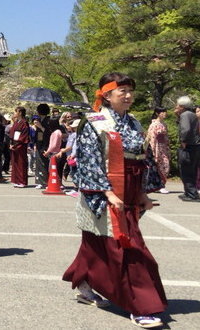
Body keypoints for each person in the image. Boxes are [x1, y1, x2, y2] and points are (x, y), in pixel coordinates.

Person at [63, 72, 167, 329]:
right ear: (107, 95)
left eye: (131, 90)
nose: (129, 96)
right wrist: (106, 192)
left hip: (130, 189)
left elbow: (143, 159)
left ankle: (86, 285)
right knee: (127, 246)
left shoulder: (133, 122)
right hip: (106, 191)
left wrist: (142, 192)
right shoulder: (95, 121)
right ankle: (139, 304)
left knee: (96, 243)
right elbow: (89, 159)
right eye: (123, 91)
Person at [174, 96, 200, 202]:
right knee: (192, 170)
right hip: (196, 146)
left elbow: (185, 129)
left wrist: (183, 141)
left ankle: (192, 194)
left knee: (186, 170)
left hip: (189, 146)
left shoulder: (185, 115)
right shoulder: (192, 114)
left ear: (182, 106)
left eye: (177, 105)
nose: (176, 107)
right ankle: (189, 192)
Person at [147, 107, 171, 194]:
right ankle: (159, 185)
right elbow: (152, 138)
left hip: (163, 147)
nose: (164, 114)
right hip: (156, 146)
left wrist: (167, 147)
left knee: (165, 165)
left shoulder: (164, 124)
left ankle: (161, 184)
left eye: (165, 112)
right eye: (162, 112)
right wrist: (153, 150)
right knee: (158, 166)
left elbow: (166, 137)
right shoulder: (154, 124)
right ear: (158, 113)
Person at [9, 107, 29, 188]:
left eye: (16, 112)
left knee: (21, 163)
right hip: (14, 144)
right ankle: (16, 180)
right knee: (15, 163)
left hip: (20, 145)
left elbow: (23, 136)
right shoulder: (17, 122)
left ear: (20, 113)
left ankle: (22, 181)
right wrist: (11, 143)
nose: (15, 113)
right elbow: (12, 133)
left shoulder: (24, 123)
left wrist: (16, 145)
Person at [33, 104, 52, 189]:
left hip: (46, 144)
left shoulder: (49, 120)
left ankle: (45, 181)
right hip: (39, 143)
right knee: (39, 163)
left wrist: (40, 126)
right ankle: (40, 181)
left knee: (44, 163)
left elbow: (49, 132)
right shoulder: (39, 120)